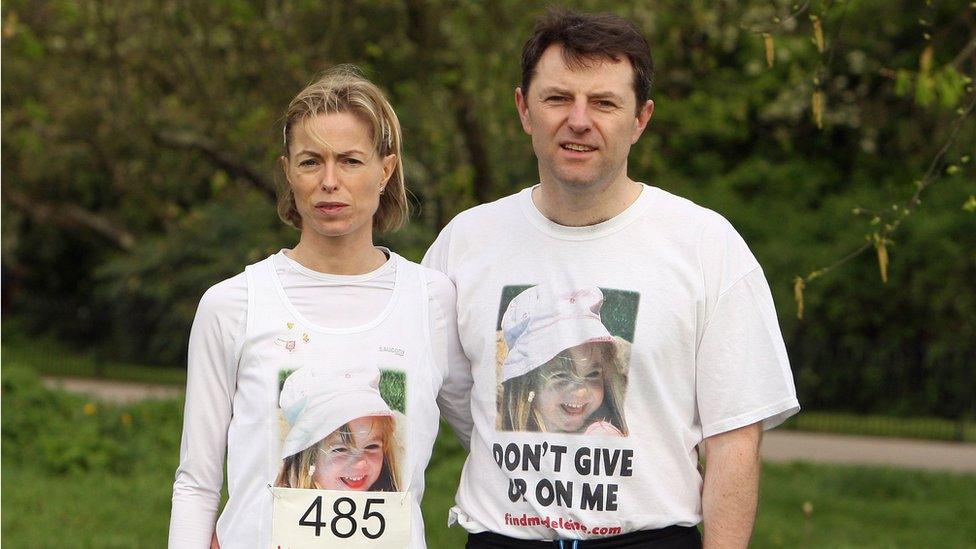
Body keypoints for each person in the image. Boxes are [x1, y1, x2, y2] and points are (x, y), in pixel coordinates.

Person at [423, 9, 799, 548]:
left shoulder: (705, 245)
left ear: (640, 119)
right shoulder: (465, 242)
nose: (579, 120)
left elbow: (734, 439)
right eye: (557, 99)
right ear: (524, 109)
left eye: (604, 102)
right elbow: (458, 397)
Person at [169, 65, 472, 549]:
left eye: (350, 161)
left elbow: (489, 440)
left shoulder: (433, 300)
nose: (330, 181)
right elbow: (196, 483)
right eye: (311, 162)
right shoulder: (232, 304)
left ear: (385, 170)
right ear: (288, 172)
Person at [497, 285, 629, 436]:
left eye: (592, 374)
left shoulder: (601, 435)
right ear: (528, 382)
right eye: (560, 376)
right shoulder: (521, 432)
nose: (581, 392)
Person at [274, 366, 402, 492]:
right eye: (340, 449)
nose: (360, 464)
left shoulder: (394, 499)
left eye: (372, 446)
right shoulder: (286, 507)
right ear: (308, 459)